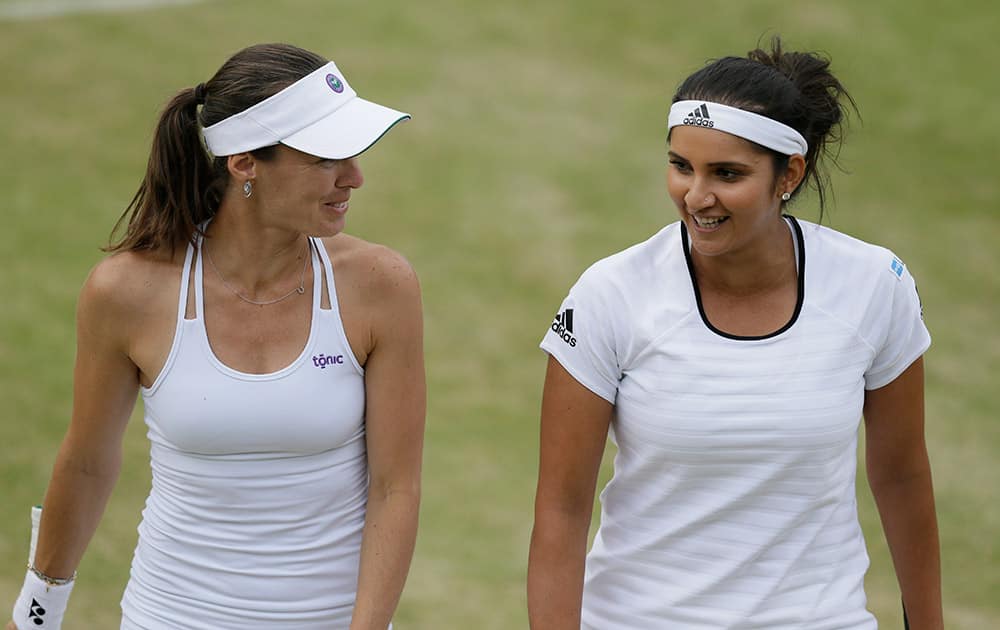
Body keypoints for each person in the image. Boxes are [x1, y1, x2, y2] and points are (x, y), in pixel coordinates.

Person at [527, 37, 943, 629]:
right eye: (681, 166)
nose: (696, 197)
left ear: (789, 174)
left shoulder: (875, 286)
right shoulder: (609, 295)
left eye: (727, 173)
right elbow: (561, 511)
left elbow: (902, 476)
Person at [8, 42, 425, 630]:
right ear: (245, 163)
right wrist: (36, 615)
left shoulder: (382, 286)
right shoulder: (125, 293)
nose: (354, 178)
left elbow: (396, 488)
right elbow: (86, 463)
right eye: (327, 158)